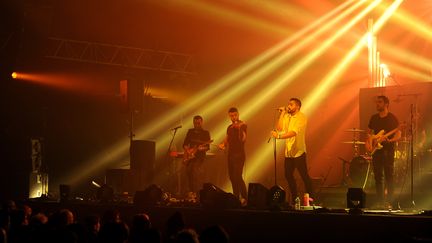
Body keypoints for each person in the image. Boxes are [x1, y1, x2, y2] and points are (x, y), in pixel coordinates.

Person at [271, 98, 313, 204]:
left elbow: (294, 132)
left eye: (291, 104)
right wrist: (282, 113)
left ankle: (311, 198)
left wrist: (279, 137)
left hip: (299, 152)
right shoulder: (287, 116)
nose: (288, 106)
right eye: (288, 104)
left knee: (304, 176)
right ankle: (295, 198)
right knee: (288, 175)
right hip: (289, 152)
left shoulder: (301, 117)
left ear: (297, 106)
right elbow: (279, 128)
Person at [365, 95, 401, 208]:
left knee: (389, 176)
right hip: (377, 151)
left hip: (388, 150)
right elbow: (369, 134)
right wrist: (369, 144)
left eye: (380, 102)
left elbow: (398, 134)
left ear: (386, 104)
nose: (377, 104)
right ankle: (380, 202)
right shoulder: (374, 118)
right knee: (378, 177)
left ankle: (391, 202)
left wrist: (390, 140)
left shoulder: (392, 118)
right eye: (376, 102)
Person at [218, 107, 248, 203]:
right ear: (229, 116)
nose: (233, 117)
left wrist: (239, 129)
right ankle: (236, 197)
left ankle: (245, 198)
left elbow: (243, 139)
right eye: (231, 116)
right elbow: (227, 139)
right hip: (230, 155)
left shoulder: (243, 125)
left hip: (239, 155)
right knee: (232, 177)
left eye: (235, 115)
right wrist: (222, 145)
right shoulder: (229, 127)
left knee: (238, 176)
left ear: (238, 114)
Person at [183, 115, 211, 197]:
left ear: (202, 122)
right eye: (195, 123)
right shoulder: (190, 131)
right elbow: (185, 144)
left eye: (198, 123)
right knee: (188, 171)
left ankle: (196, 193)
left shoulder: (205, 133)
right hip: (190, 156)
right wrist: (188, 151)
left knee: (194, 171)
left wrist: (202, 148)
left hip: (200, 156)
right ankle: (191, 192)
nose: (197, 125)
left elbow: (207, 147)